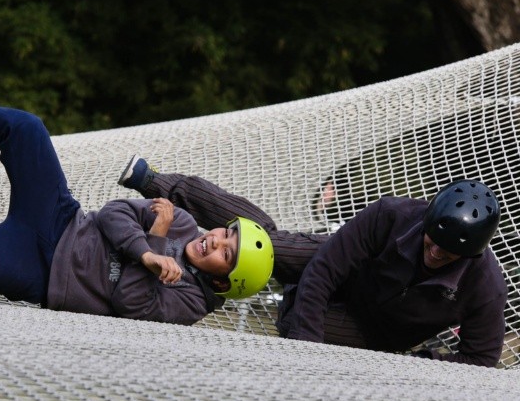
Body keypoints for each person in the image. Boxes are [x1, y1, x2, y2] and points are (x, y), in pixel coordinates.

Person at [0, 63, 276, 326]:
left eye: (226, 253)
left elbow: (132, 306)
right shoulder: (177, 220)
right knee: (25, 127)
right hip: (61, 218)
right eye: (226, 234)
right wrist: (149, 245)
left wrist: (154, 249)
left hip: (46, 276)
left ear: (223, 281)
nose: (216, 240)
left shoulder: (192, 302)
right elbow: (113, 214)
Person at [119, 156, 508, 367]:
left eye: (449, 252)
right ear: (426, 218)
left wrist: (425, 361)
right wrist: (308, 348)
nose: (436, 252)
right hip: (334, 265)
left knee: (295, 322)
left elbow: (481, 357)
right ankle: (156, 182)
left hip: (371, 332)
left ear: (471, 256)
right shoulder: (393, 214)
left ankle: (291, 302)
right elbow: (325, 269)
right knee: (262, 241)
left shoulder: (485, 287)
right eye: (432, 240)